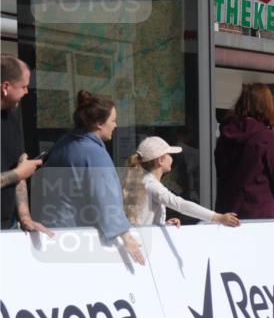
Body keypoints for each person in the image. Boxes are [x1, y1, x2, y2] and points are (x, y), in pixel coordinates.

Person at [38, 91, 145, 265]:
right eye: (113, 121)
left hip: (50, 231)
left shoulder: (64, 143)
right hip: (78, 237)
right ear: (99, 124)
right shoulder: (94, 153)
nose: (115, 125)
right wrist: (126, 236)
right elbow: (106, 198)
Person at [124, 136, 239, 228]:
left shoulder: (143, 181)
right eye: (169, 154)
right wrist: (218, 217)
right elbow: (181, 205)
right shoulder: (151, 185)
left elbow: (144, 219)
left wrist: (163, 225)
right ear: (160, 160)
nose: (172, 158)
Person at [215, 83, 274, 220]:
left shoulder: (225, 134)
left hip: (227, 212)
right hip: (258, 213)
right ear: (266, 106)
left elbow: (220, 169)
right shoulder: (266, 137)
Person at [1, 56, 51, 236]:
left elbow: (19, 170)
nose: (27, 92)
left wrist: (25, 218)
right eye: (23, 86)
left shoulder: (12, 118)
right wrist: (19, 173)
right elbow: (19, 172)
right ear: (6, 87)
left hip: (8, 227)